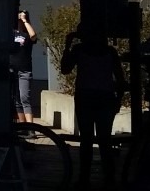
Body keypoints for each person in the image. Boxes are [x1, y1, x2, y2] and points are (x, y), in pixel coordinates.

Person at [61, 22, 125, 190]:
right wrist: (118, 99)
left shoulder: (79, 50)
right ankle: (109, 178)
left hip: (85, 98)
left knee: (86, 140)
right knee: (105, 140)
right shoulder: (110, 52)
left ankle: (84, 179)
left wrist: (67, 46)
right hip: (105, 98)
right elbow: (120, 78)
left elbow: (65, 69)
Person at [11, 8, 38, 127]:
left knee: (24, 98)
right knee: (17, 100)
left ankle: (30, 127)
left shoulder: (27, 35)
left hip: (24, 70)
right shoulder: (12, 33)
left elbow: (33, 36)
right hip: (12, 70)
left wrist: (24, 20)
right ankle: (22, 127)